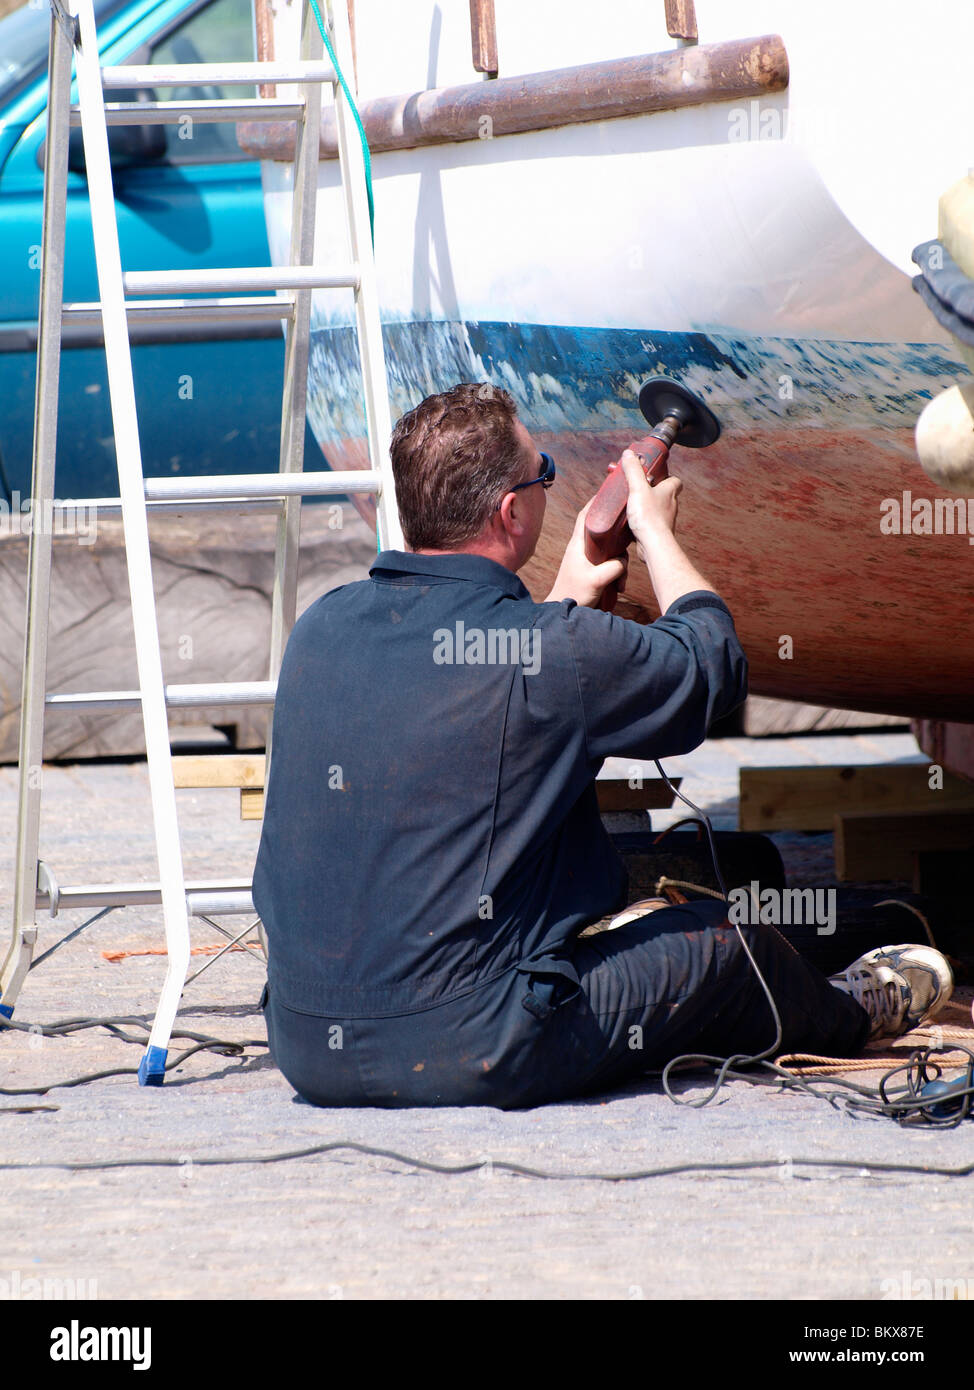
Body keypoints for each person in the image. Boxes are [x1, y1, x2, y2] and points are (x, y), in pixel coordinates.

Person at [252, 383, 952, 1109]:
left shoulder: (323, 628)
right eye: (544, 471)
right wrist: (655, 533)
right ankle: (849, 1013)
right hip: (476, 1045)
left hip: (306, 1045)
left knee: (691, 870)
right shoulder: (556, 654)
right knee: (717, 938)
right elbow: (711, 667)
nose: (548, 483)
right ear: (512, 510)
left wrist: (565, 604)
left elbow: (474, 718)